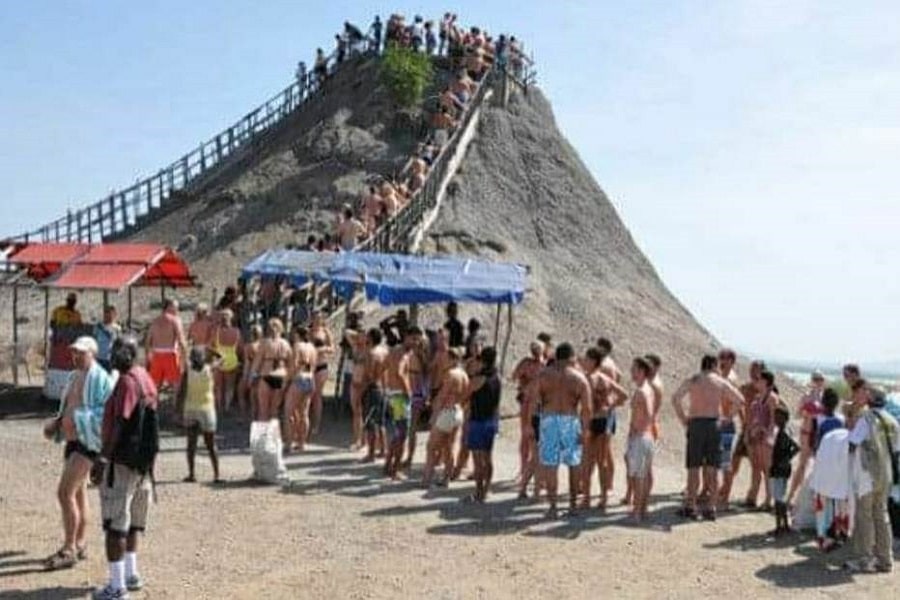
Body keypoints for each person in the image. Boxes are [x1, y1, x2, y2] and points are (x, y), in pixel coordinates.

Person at [90, 337, 159, 599]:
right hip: (142, 464)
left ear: (129, 354)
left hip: (122, 463)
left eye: (117, 350)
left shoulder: (127, 382)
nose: (112, 355)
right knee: (133, 521)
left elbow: (120, 421)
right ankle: (131, 573)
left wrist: (103, 458)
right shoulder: (144, 376)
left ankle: (117, 587)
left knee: (115, 525)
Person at [42, 337, 115, 571]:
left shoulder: (100, 379)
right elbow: (68, 406)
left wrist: (78, 419)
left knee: (64, 492)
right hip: (73, 441)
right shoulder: (74, 376)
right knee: (79, 492)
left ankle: (69, 548)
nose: (76, 356)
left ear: (92, 353)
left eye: (81, 353)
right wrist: (58, 423)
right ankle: (80, 543)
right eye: (75, 352)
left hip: (88, 443)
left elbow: (106, 414)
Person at [671, 354, 743, 520]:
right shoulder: (720, 381)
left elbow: (675, 399)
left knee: (694, 467)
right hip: (714, 424)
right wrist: (727, 418)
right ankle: (711, 507)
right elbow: (740, 400)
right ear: (714, 365)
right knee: (712, 468)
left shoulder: (694, 379)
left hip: (696, 423)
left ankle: (691, 505)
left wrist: (683, 419)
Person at [844, 382, 899, 573]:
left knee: (864, 517)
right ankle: (885, 560)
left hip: (868, 475)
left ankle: (865, 559)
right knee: (882, 516)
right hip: (886, 475)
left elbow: (852, 443)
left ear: (870, 398)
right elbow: (896, 450)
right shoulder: (892, 421)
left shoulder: (866, 419)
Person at [534, 343, 591, 518]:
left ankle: (553, 507)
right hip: (570, 420)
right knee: (573, 463)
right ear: (571, 357)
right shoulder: (579, 378)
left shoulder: (543, 375)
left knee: (551, 464)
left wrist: (534, 423)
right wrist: (585, 430)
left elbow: (534, 400)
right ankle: (573, 505)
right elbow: (587, 408)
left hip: (549, 419)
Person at [581, 347, 627, 509]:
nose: (584, 361)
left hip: (591, 421)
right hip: (604, 420)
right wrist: (610, 405)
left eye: (586, 359)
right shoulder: (604, 378)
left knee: (588, 460)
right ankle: (603, 497)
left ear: (593, 361)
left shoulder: (587, 379)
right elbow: (623, 395)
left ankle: (586, 498)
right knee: (602, 461)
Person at [808, 388, 849, 551]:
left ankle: (822, 534)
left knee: (821, 500)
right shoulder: (842, 419)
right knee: (840, 500)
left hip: (823, 462)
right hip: (840, 464)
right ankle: (840, 531)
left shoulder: (817, 419)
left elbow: (814, 443)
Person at [423, 347, 468, 488]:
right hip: (458, 410)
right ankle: (446, 478)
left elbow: (442, 396)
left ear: (451, 359)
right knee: (449, 446)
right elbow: (466, 396)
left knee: (432, 446)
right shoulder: (464, 375)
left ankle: (426, 479)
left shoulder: (450, 374)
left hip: (447, 411)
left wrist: (434, 415)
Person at [722, 360, 765, 508]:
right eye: (752, 369)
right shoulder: (745, 388)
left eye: (756, 369)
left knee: (756, 466)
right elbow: (738, 402)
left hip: (757, 433)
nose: (753, 372)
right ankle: (725, 490)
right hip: (745, 430)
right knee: (734, 462)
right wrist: (742, 418)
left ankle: (752, 497)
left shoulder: (765, 390)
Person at [178, 347, 221, 484]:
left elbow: (181, 392)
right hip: (207, 409)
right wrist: (210, 349)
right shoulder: (209, 369)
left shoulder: (188, 372)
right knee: (211, 445)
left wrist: (177, 410)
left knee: (191, 444)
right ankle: (216, 475)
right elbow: (222, 359)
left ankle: (192, 474)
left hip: (190, 409)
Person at [464, 347, 502, 503]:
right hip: (491, 420)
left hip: (478, 421)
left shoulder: (480, 379)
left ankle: (479, 492)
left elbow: (465, 392)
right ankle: (486, 489)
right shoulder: (497, 377)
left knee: (478, 460)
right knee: (488, 458)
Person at [787, 370, 826, 508]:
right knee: (802, 464)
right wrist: (807, 413)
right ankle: (791, 496)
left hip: (819, 433)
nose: (818, 382)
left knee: (817, 465)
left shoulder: (825, 398)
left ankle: (809, 499)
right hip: (807, 431)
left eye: (820, 379)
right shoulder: (806, 396)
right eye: (815, 379)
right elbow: (797, 414)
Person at [512, 341, 545, 496]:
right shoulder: (526, 363)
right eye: (534, 349)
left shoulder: (546, 365)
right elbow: (515, 376)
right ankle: (523, 469)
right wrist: (524, 380)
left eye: (538, 349)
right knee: (526, 437)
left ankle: (538, 476)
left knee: (539, 442)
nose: (535, 352)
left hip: (540, 405)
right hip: (527, 403)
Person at [627, 357, 656, 521]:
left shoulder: (641, 391)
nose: (631, 372)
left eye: (634, 369)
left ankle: (637, 512)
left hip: (640, 436)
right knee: (643, 475)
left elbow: (648, 414)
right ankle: (642, 509)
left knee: (638, 476)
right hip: (646, 436)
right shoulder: (648, 389)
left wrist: (637, 431)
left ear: (642, 371)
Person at [746, 370, 780, 510]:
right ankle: (753, 497)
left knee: (767, 469)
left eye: (760, 379)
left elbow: (774, 419)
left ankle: (768, 500)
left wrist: (767, 434)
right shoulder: (759, 397)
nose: (757, 381)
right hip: (756, 436)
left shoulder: (772, 398)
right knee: (756, 467)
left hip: (766, 438)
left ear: (766, 381)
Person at [383, 332, 412, 479]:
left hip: (392, 394)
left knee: (396, 433)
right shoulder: (403, 355)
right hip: (400, 397)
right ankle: (395, 470)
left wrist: (386, 387)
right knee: (402, 434)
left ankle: (388, 465)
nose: (416, 342)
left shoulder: (393, 351)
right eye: (413, 339)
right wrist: (408, 392)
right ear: (406, 337)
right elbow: (400, 373)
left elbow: (384, 368)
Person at [251, 318, 291, 422]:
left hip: (266, 374)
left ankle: (263, 431)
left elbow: (257, 361)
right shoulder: (286, 344)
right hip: (280, 376)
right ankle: (273, 431)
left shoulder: (265, 343)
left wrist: (252, 375)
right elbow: (290, 362)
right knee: (274, 410)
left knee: (263, 410)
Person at [285, 326, 317, 452]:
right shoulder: (312, 347)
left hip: (299, 378)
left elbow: (294, 365)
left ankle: (289, 443)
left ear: (297, 334)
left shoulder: (297, 346)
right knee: (304, 413)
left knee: (288, 411)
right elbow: (313, 366)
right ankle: (302, 443)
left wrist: (286, 380)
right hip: (310, 378)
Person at [145, 299, 187, 394]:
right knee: (176, 385)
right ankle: (175, 403)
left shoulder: (155, 321)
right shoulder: (175, 320)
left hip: (156, 354)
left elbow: (147, 341)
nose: (177, 310)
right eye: (176, 307)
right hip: (170, 354)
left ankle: (153, 403)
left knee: (154, 386)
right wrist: (184, 360)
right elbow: (181, 341)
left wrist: (148, 358)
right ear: (169, 307)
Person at [769, 407, 800, 535]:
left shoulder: (783, 433)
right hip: (782, 468)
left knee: (778, 499)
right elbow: (796, 448)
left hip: (779, 469)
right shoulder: (785, 431)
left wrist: (784, 459)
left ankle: (779, 527)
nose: (775, 419)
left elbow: (796, 447)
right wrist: (787, 458)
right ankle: (785, 525)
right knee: (780, 497)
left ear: (784, 418)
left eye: (778, 417)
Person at [361, 328, 389, 463]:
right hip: (383, 389)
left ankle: (371, 454)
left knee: (370, 422)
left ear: (371, 338)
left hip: (372, 389)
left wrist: (362, 390)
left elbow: (369, 375)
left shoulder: (371, 353)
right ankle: (383, 450)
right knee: (381, 422)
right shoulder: (385, 351)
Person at [309, 311, 335, 436]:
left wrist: (322, 349)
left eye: (320, 318)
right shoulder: (309, 332)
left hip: (321, 365)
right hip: (309, 366)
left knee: (317, 395)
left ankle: (316, 424)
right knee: (308, 394)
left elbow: (332, 348)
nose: (318, 320)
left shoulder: (325, 332)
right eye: (316, 318)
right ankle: (306, 422)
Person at [211, 309, 241, 413]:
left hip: (219, 359)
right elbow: (239, 348)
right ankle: (227, 406)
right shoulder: (236, 332)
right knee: (229, 386)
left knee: (218, 386)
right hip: (231, 359)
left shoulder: (216, 331)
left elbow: (212, 346)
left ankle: (219, 406)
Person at [239, 325, 263, 420]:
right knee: (255, 398)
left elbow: (247, 363)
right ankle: (255, 417)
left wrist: (245, 376)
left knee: (241, 393)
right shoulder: (263, 345)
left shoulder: (248, 346)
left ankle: (244, 415)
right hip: (260, 372)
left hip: (250, 372)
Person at [94, 306, 122, 372]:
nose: (108, 315)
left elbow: (119, 343)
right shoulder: (98, 326)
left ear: (114, 315)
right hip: (98, 357)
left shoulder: (117, 328)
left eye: (110, 314)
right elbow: (94, 339)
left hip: (110, 358)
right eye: (106, 313)